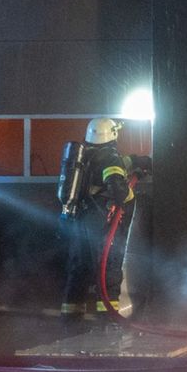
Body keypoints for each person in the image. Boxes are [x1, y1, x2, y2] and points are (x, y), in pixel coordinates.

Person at [59, 117, 150, 330]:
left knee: (79, 266)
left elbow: (113, 165)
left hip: (79, 218)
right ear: (112, 134)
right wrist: (130, 192)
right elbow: (119, 190)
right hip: (100, 220)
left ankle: (71, 316)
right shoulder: (110, 157)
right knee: (109, 265)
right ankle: (108, 317)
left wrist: (138, 161)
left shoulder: (84, 155)